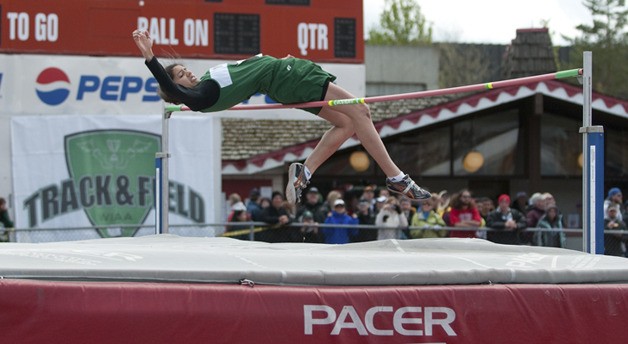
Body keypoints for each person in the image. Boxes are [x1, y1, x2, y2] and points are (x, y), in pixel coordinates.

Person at [132, 30, 431, 206]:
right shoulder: (202, 96)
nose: (188, 72)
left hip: (284, 82)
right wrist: (150, 58)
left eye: (185, 69)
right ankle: (396, 178)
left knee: (347, 123)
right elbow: (173, 89)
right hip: (287, 77)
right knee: (361, 111)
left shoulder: (206, 84)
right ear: (177, 89)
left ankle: (306, 171)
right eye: (182, 75)